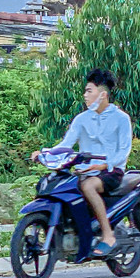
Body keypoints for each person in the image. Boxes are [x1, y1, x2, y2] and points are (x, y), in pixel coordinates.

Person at [42, 69, 134, 257]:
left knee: (88, 186)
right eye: (85, 91)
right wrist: (45, 153)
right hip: (85, 170)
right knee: (63, 186)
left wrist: (103, 165)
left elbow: (124, 151)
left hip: (111, 171)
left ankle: (108, 236)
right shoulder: (81, 119)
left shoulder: (121, 119)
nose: (85, 95)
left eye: (89, 91)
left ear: (103, 94)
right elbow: (66, 144)